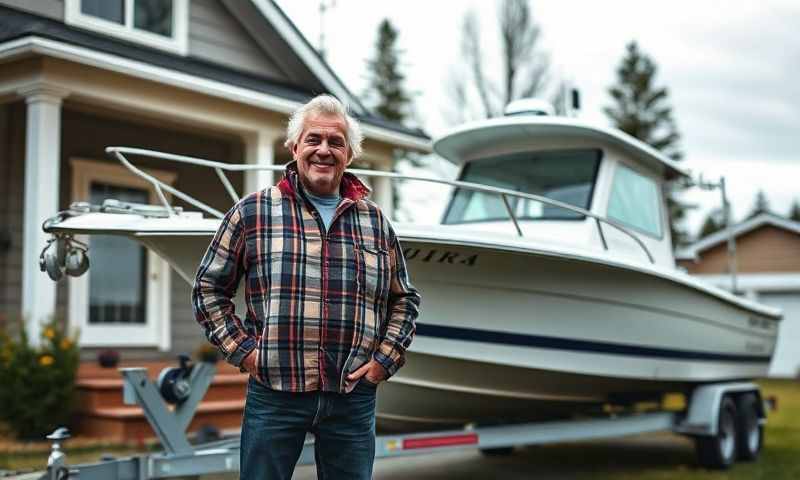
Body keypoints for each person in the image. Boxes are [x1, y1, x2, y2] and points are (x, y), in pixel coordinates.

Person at [192, 94, 421, 480]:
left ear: (350, 154)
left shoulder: (375, 221)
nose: (324, 150)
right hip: (275, 393)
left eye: (336, 142)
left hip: (352, 397)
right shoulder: (253, 211)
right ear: (294, 146)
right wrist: (245, 352)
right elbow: (208, 288)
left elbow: (403, 300)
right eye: (314, 139)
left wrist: (383, 362)